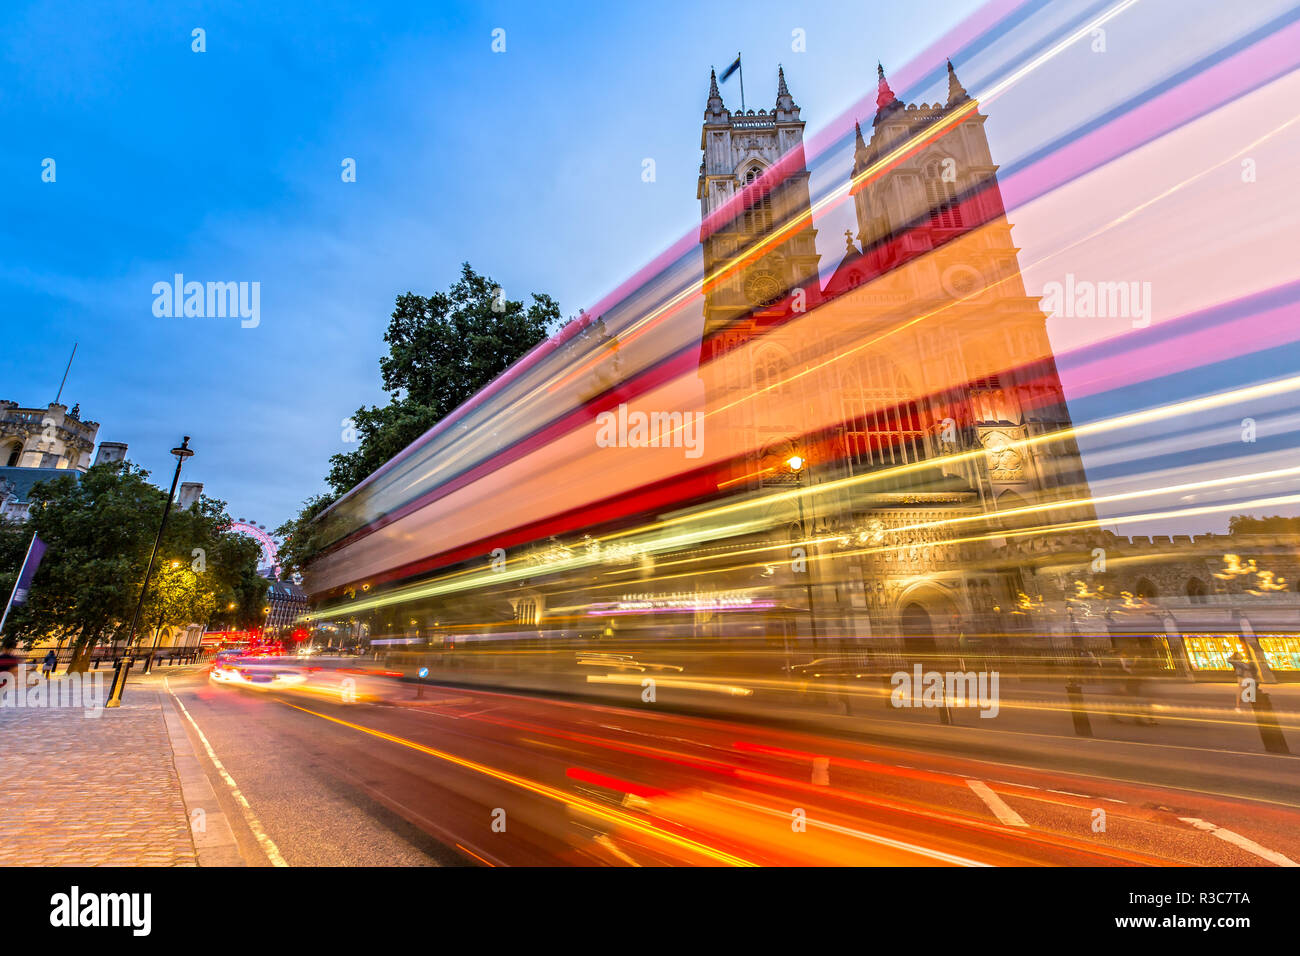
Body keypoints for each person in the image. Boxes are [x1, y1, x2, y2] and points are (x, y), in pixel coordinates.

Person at [1118, 650, 1156, 725]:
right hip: (1132, 685)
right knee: (1137, 703)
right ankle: (1139, 719)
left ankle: (1151, 719)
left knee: (1146, 702)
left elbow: (1138, 672)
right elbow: (1124, 673)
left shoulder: (1132, 663)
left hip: (1137, 684)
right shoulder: (1123, 663)